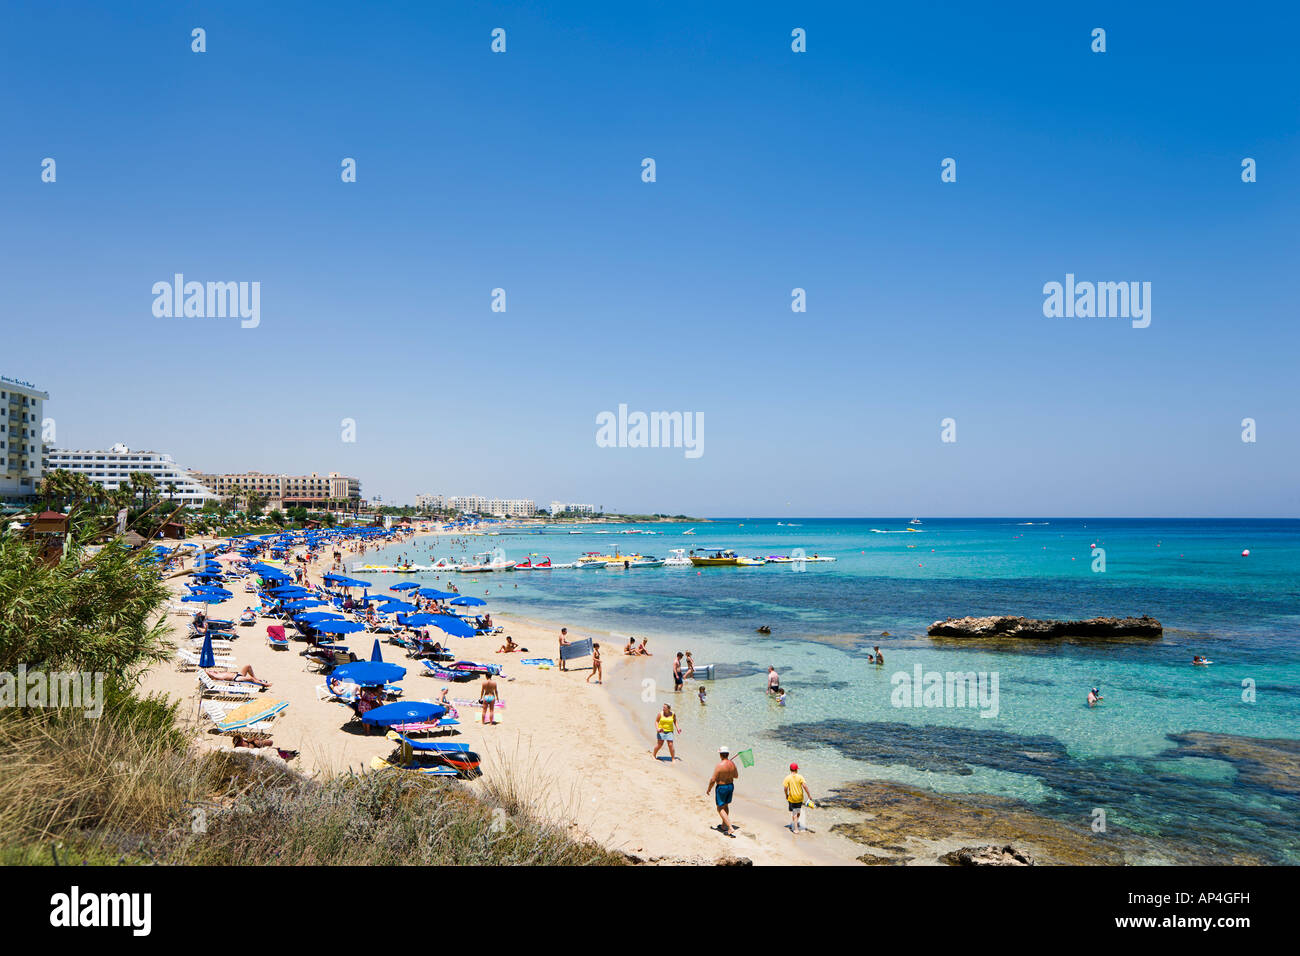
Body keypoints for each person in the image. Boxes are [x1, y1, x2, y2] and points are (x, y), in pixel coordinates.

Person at [706, 747, 739, 838]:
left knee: (720, 808)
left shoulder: (719, 765)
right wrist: (728, 772)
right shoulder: (732, 764)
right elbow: (736, 776)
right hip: (730, 786)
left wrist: (709, 789)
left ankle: (730, 827)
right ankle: (724, 825)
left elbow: (713, 779)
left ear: (720, 755)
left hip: (722, 787)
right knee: (726, 805)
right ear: (728, 754)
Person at [783, 762, 812, 832]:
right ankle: (795, 823)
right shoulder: (800, 777)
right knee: (797, 812)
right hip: (799, 798)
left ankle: (795, 828)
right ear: (797, 770)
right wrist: (809, 795)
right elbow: (805, 786)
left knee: (794, 813)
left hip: (792, 798)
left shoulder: (787, 778)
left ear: (790, 769)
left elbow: (785, 788)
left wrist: (786, 795)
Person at [205, 665, 269, 687]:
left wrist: (214, 672)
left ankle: (257, 680)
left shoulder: (217, 673)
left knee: (248, 666)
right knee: (250, 678)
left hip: (238, 674)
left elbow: (209, 671)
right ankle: (263, 684)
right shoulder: (216, 677)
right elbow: (207, 671)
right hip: (236, 678)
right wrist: (208, 672)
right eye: (210, 672)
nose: (211, 671)